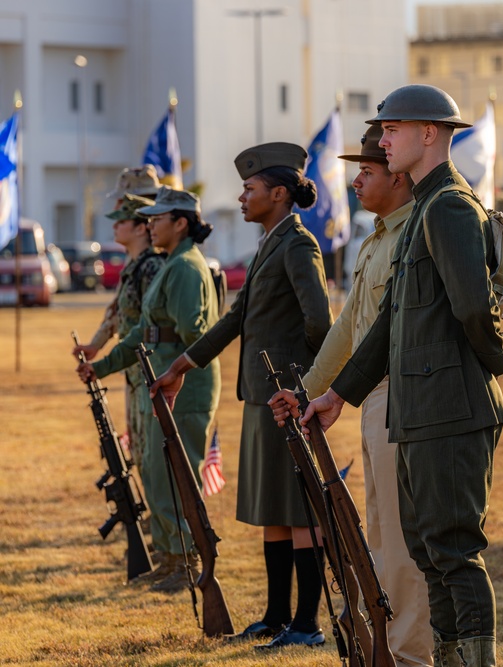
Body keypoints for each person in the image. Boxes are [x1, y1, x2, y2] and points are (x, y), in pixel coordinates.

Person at [290, 84, 503, 667]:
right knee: (429, 553)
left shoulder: (451, 206)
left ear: (430, 134)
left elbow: (471, 309)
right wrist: (338, 393)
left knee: (454, 554)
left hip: (451, 406)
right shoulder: (424, 211)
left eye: (391, 131)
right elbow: (387, 323)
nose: (382, 142)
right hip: (421, 406)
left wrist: (495, 363)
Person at [151, 143, 333, 648]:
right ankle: (277, 615)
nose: (241, 196)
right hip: (261, 396)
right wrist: (181, 365)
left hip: (287, 398)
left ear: (278, 194)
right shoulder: (271, 242)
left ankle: (307, 624)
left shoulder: (298, 245)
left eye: (250, 189)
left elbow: (320, 321)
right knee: (271, 509)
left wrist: (310, 389)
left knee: (299, 512)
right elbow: (236, 320)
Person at [268, 124, 433, 664]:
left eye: (367, 170)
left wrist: (338, 391)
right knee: (380, 537)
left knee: (405, 544)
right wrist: (312, 390)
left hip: (403, 397)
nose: (356, 181)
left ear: (400, 178)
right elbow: (347, 329)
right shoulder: (379, 236)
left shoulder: (416, 234)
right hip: (372, 397)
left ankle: (411, 655)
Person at [77, 186, 221, 594]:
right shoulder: (172, 264)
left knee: (177, 475)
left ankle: (189, 560)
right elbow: (142, 330)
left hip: (184, 385)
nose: (151, 225)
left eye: (158, 219)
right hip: (164, 379)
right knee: (158, 474)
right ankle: (172, 558)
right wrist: (101, 366)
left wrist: (173, 366)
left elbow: (194, 336)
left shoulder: (186, 268)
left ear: (181, 224)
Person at [74, 166, 163, 477]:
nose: (115, 213)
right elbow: (119, 309)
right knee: (140, 448)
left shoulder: (158, 257)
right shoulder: (138, 257)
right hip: (134, 364)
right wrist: (96, 344)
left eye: (123, 206)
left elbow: (152, 320)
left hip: (154, 365)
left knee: (156, 452)